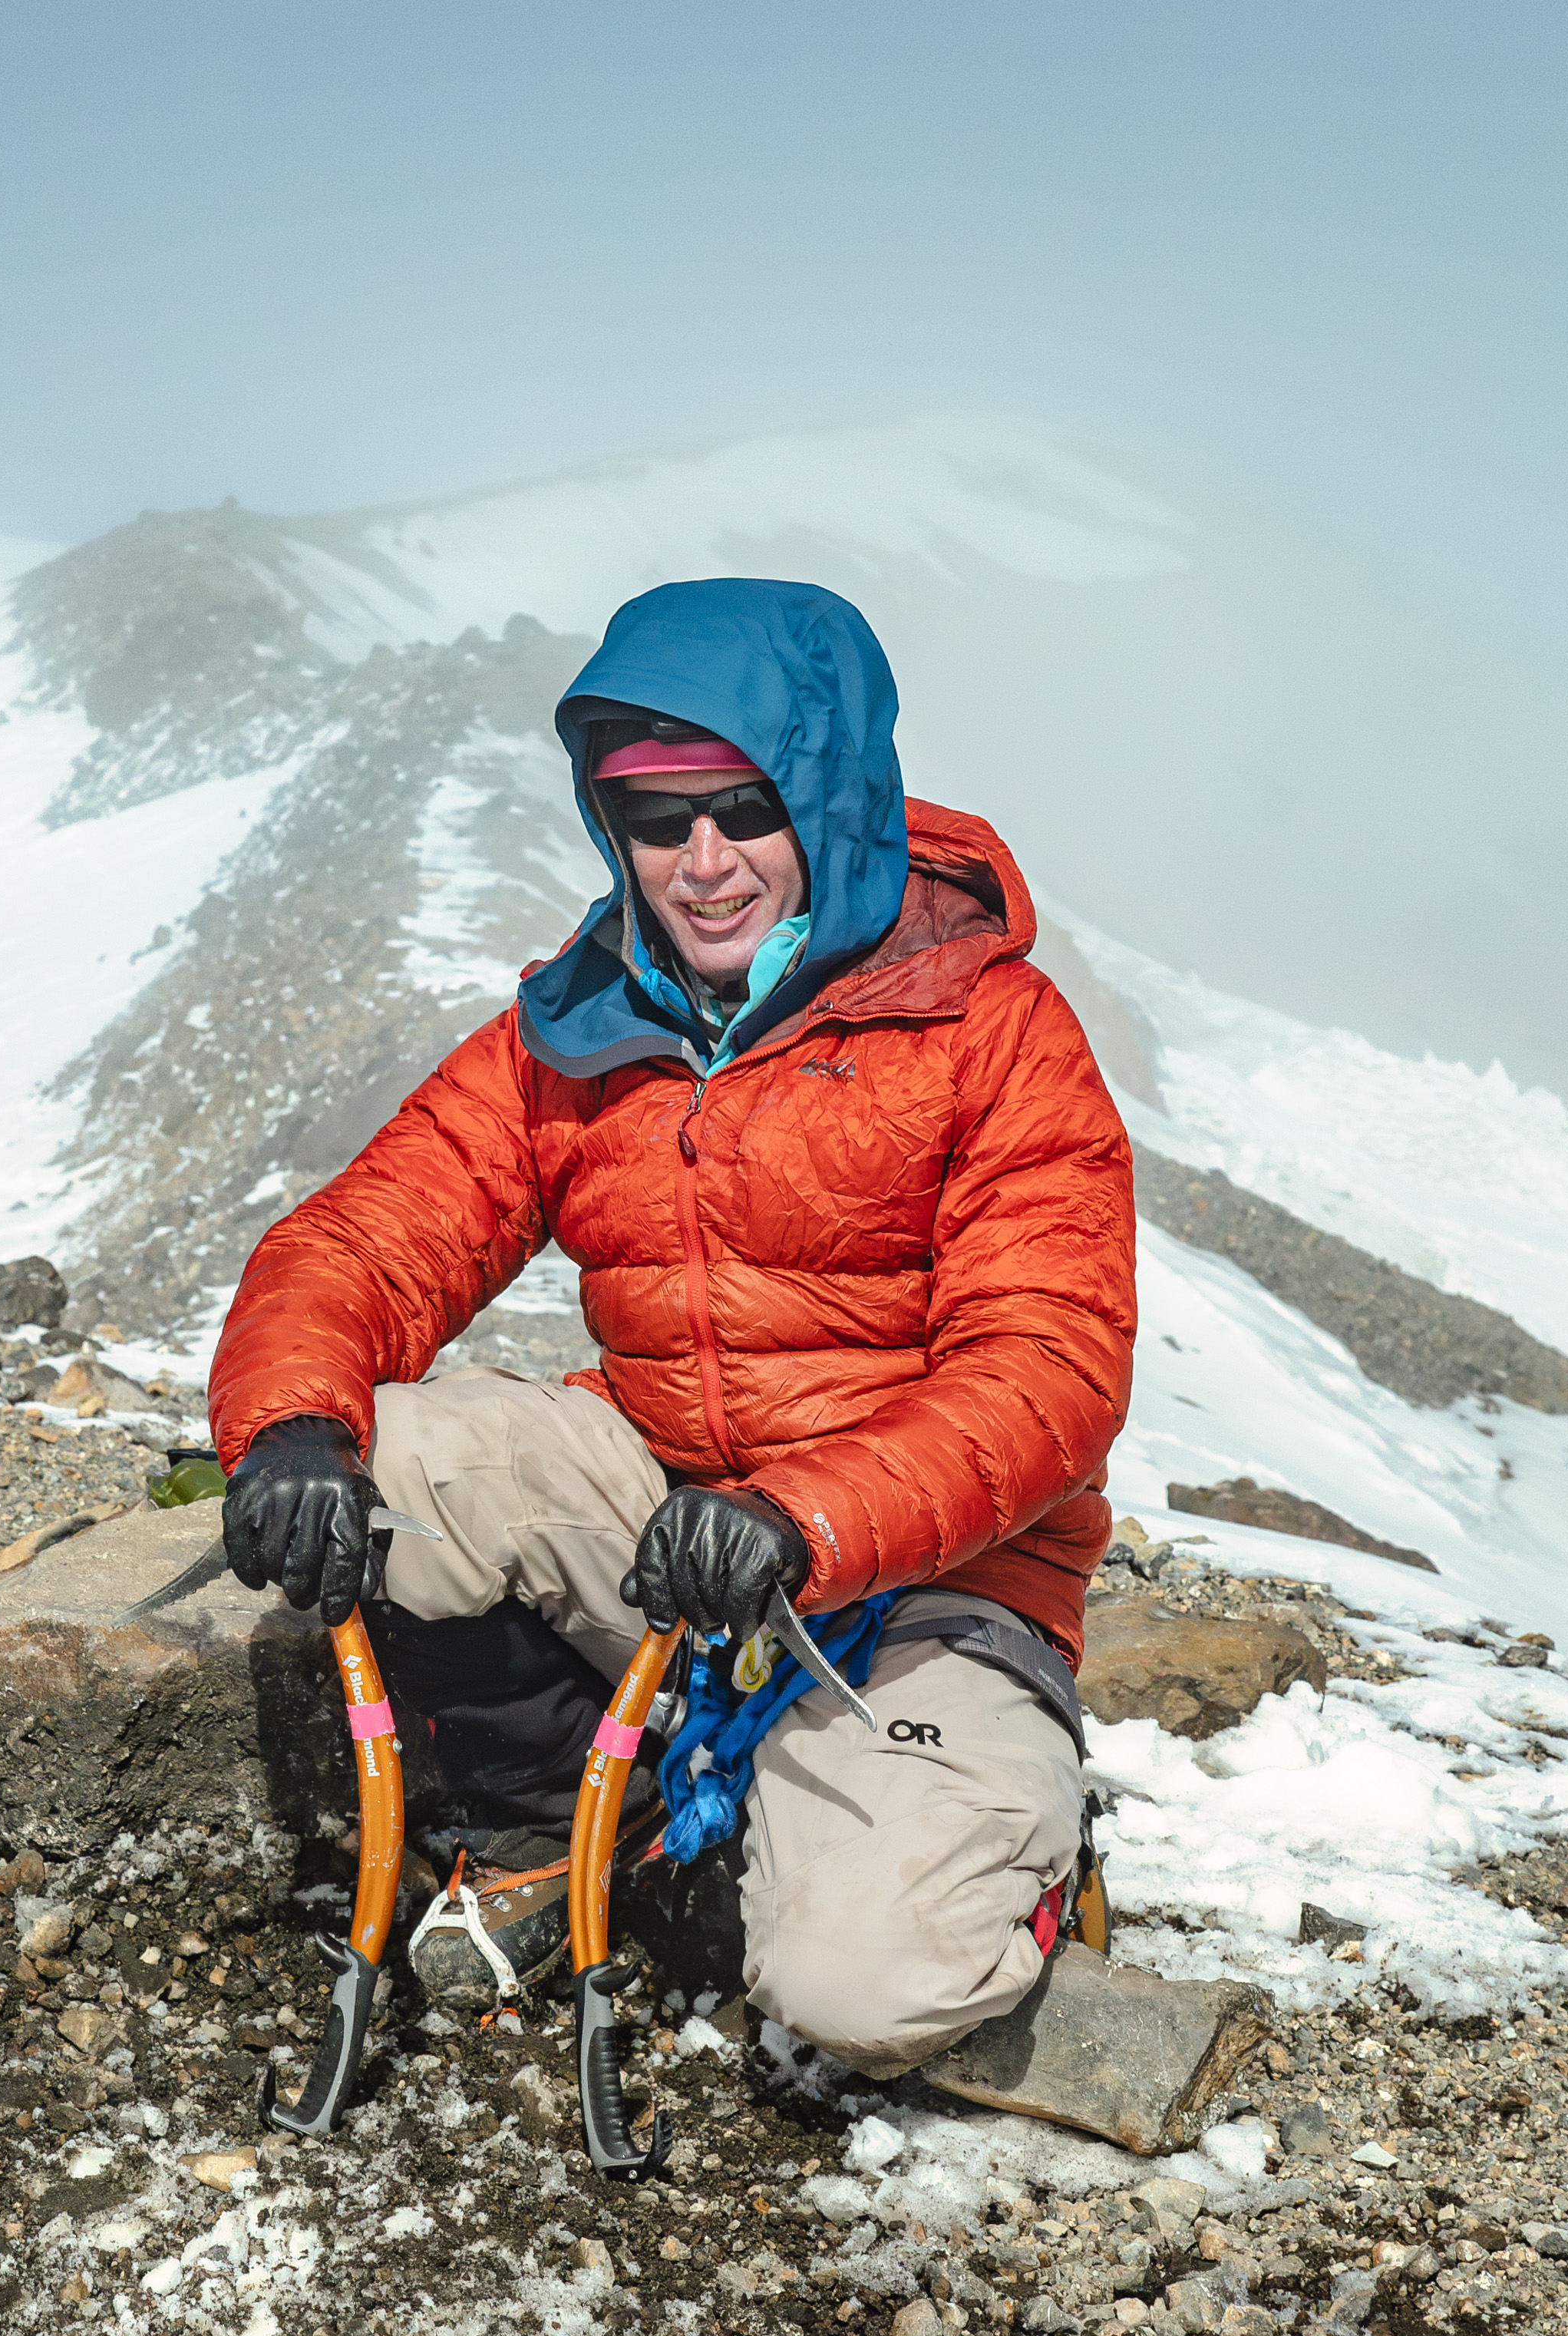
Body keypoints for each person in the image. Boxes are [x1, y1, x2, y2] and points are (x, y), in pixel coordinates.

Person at [208, 577, 1134, 2076]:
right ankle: (574, 1812)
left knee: (858, 1987)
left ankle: (1016, 1859)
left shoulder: (992, 1029)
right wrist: (292, 1419)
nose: (702, 863)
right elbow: (371, 1233)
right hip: (667, 1518)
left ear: (825, 799)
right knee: (386, 1463)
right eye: (652, 815)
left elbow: (1049, 1369)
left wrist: (805, 1513)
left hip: (930, 1586)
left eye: (742, 807)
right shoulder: (585, 1026)